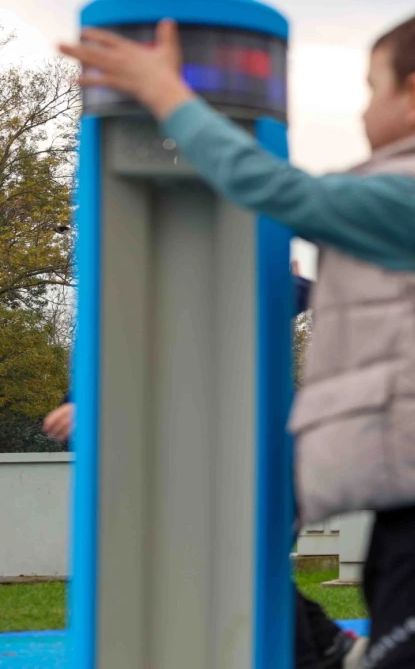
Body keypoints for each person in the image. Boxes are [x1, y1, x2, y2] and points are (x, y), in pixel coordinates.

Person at [60, 5, 415, 669]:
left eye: (372, 88)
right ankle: (329, 650)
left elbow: (277, 190)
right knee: (412, 648)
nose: (364, 111)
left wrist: (169, 96)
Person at [44, 267, 367, 669]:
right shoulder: (123, 313)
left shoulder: (216, 296)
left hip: (255, 460)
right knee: (233, 574)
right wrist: (85, 407)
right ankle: (328, 646)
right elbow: (113, 360)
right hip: (194, 470)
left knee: (244, 572)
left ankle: (320, 650)